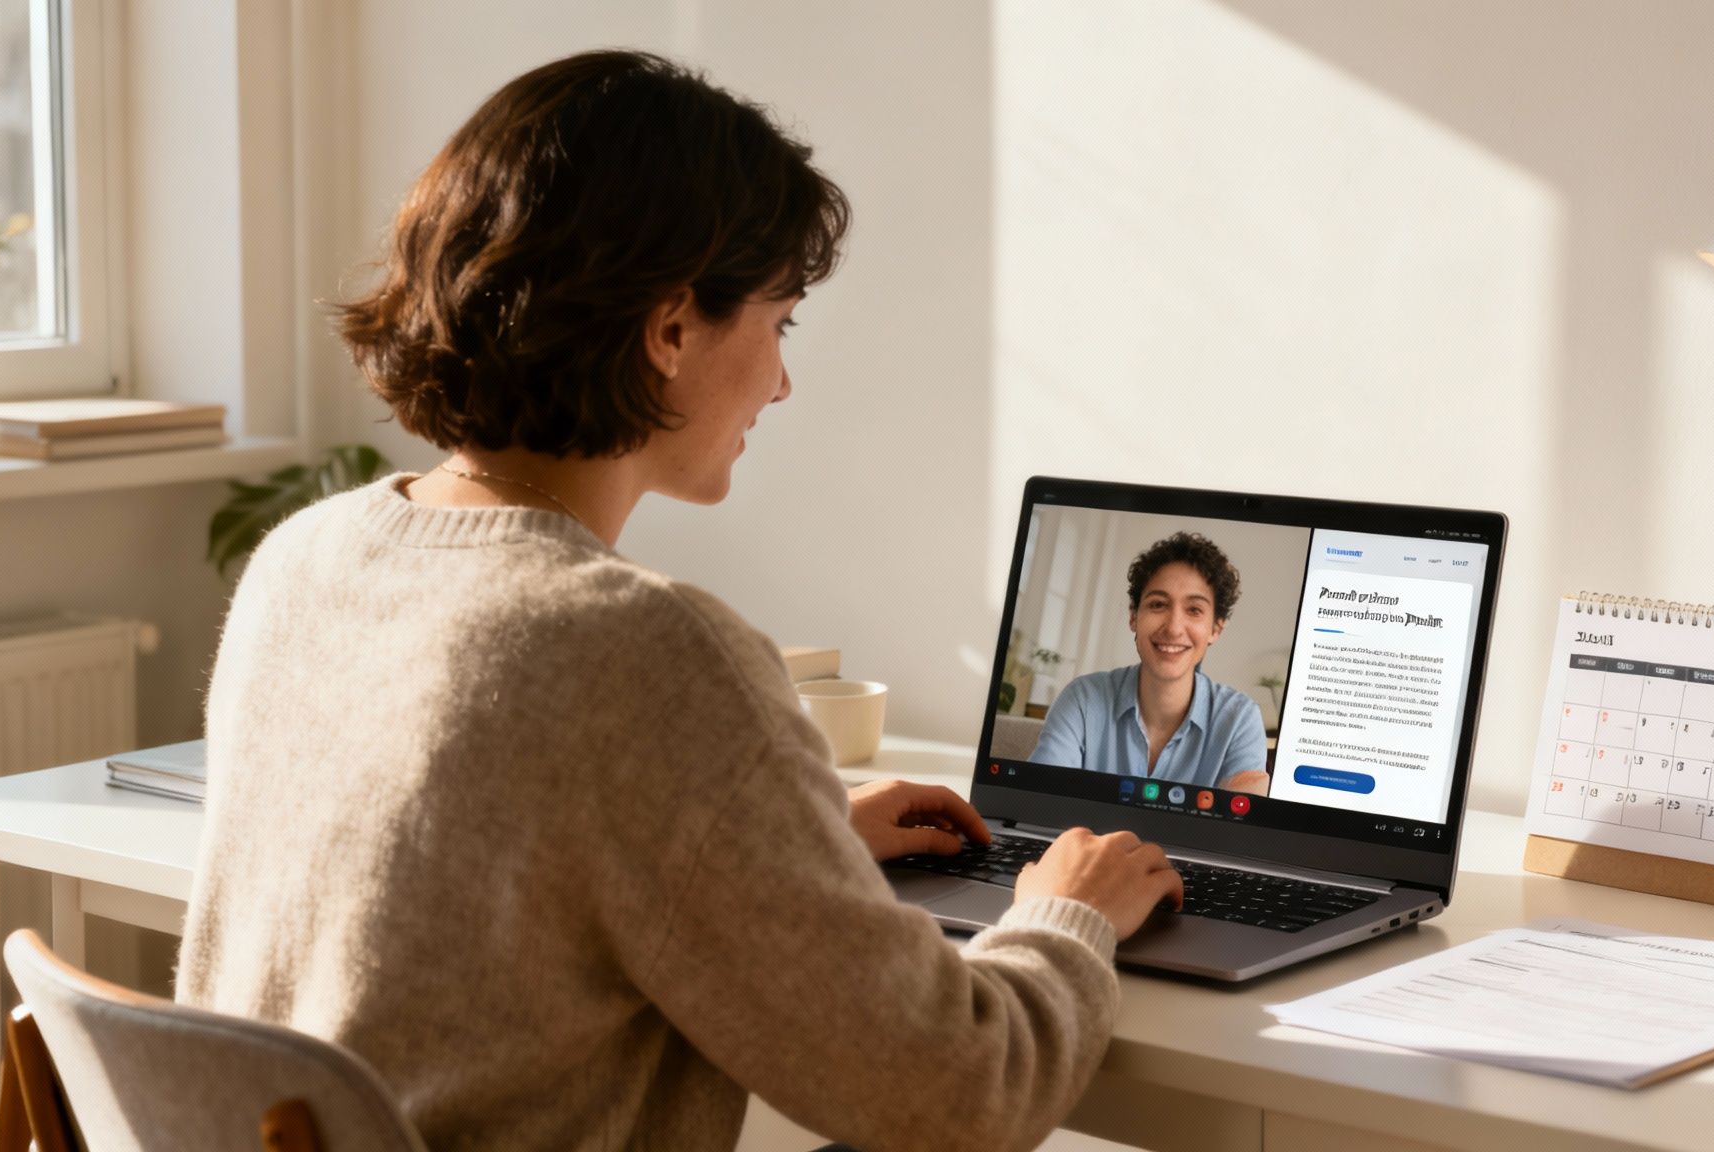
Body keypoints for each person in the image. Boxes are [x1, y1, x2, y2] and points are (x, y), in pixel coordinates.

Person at [175, 50, 1182, 1152]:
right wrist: (1067, 913)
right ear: (669, 331)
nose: (782, 380)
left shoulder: (305, 558)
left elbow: (443, 887)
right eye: (779, 322)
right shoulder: (640, 650)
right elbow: (960, 1093)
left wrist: (772, 851)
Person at [1030, 532, 1271, 793]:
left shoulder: (1239, 719)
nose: (1174, 628)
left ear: (1215, 628)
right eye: (1158, 604)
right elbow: (1038, 800)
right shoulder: (1082, 700)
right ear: (1134, 617)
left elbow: (1237, 829)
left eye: (1194, 610)